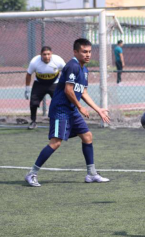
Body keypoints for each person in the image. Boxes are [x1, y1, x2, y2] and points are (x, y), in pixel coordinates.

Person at [25, 38, 111, 187]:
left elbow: (83, 92)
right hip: (61, 110)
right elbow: (68, 90)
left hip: (71, 110)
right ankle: (32, 173)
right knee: (56, 142)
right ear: (75, 52)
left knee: (87, 136)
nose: (88, 54)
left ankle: (91, 174)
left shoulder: (84, 69)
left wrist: (98, 109)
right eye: (84, 51)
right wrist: (80, 107)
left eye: (89, 51)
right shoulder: (72, 66)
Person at [25, 46, 66, 129]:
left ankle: (59, 121)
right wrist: (27, 89)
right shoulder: (34, 62)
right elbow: (29, 74)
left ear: (51, 54)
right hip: (39, 84)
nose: (46, 56)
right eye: (44, 54)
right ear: (41, 55)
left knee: (59, 103)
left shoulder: (58, 60)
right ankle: (33, 122)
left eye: (48, 54)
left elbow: (66, 71)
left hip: (54, 83)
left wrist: (63, 84)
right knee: (33, 103)